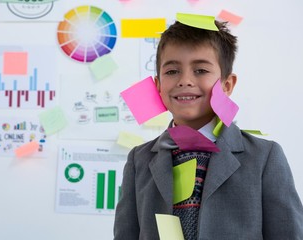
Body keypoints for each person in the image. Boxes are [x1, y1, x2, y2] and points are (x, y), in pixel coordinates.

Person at [113, 16, 303, 240]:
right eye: (172, 71)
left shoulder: (264, 157)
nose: (185, 80)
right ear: (158, 87)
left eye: (201, 70)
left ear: (227, 84)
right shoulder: (139, 160)